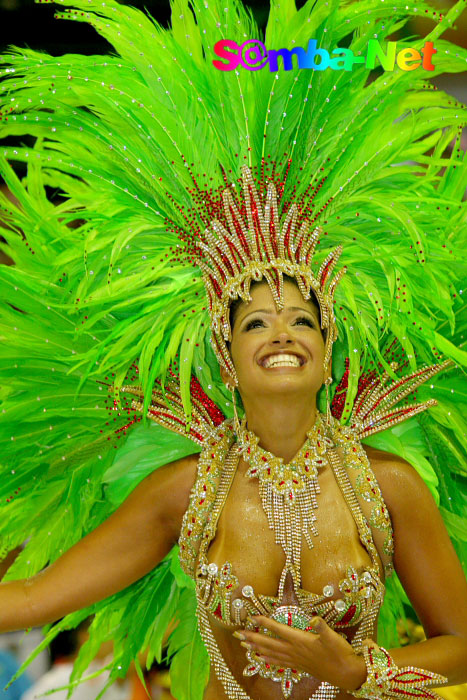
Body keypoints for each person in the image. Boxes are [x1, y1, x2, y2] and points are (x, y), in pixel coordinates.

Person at [0, 0, 466, 699]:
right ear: (225, 357)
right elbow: (33, 597)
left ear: (327, 346)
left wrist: (359, 670)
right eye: (254, 323)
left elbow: (461, 643)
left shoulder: (388, 485)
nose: (281, 332)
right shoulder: (184, 492)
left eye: (301, 320)